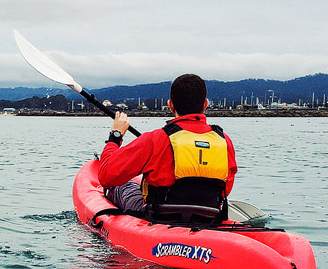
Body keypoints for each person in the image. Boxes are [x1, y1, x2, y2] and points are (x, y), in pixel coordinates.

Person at [98, 74, 237, 222]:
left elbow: (106, 176)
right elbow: (225, 190)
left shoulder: (156, 139)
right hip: (208, 216)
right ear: (205, 104)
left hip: (160, 217)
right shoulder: (224, 141)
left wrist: (116, 136)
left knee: (122, 186)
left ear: (171, 105)